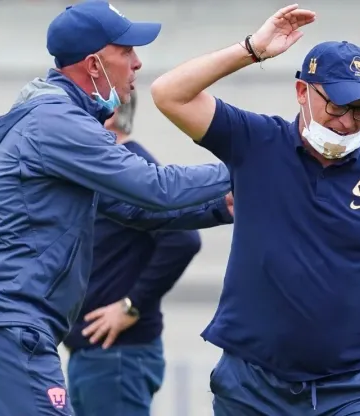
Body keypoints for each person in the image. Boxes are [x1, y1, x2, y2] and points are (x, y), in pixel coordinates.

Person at [151, 4, 360, 415]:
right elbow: (169, 93)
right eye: (337, 106)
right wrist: (251, 49)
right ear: (302, 92)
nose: (347, 122)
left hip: (358, 387)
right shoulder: (255, 142)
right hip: (252, 386)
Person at [0, 2, 231, 415]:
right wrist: (252, 160)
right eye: (127, 51)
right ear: (94, 64)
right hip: (9, 328)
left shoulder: (55, 118)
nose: (137, 63)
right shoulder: (57, 122)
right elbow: (156, 188)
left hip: (7, 327)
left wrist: (222, 206)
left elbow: (136, 210)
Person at [63, 91, 234, 416]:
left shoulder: (131, 169)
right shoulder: (107, 171)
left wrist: (132, 305)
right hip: (98, 355)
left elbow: (182, 240)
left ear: (108, 113)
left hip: (116, 356)